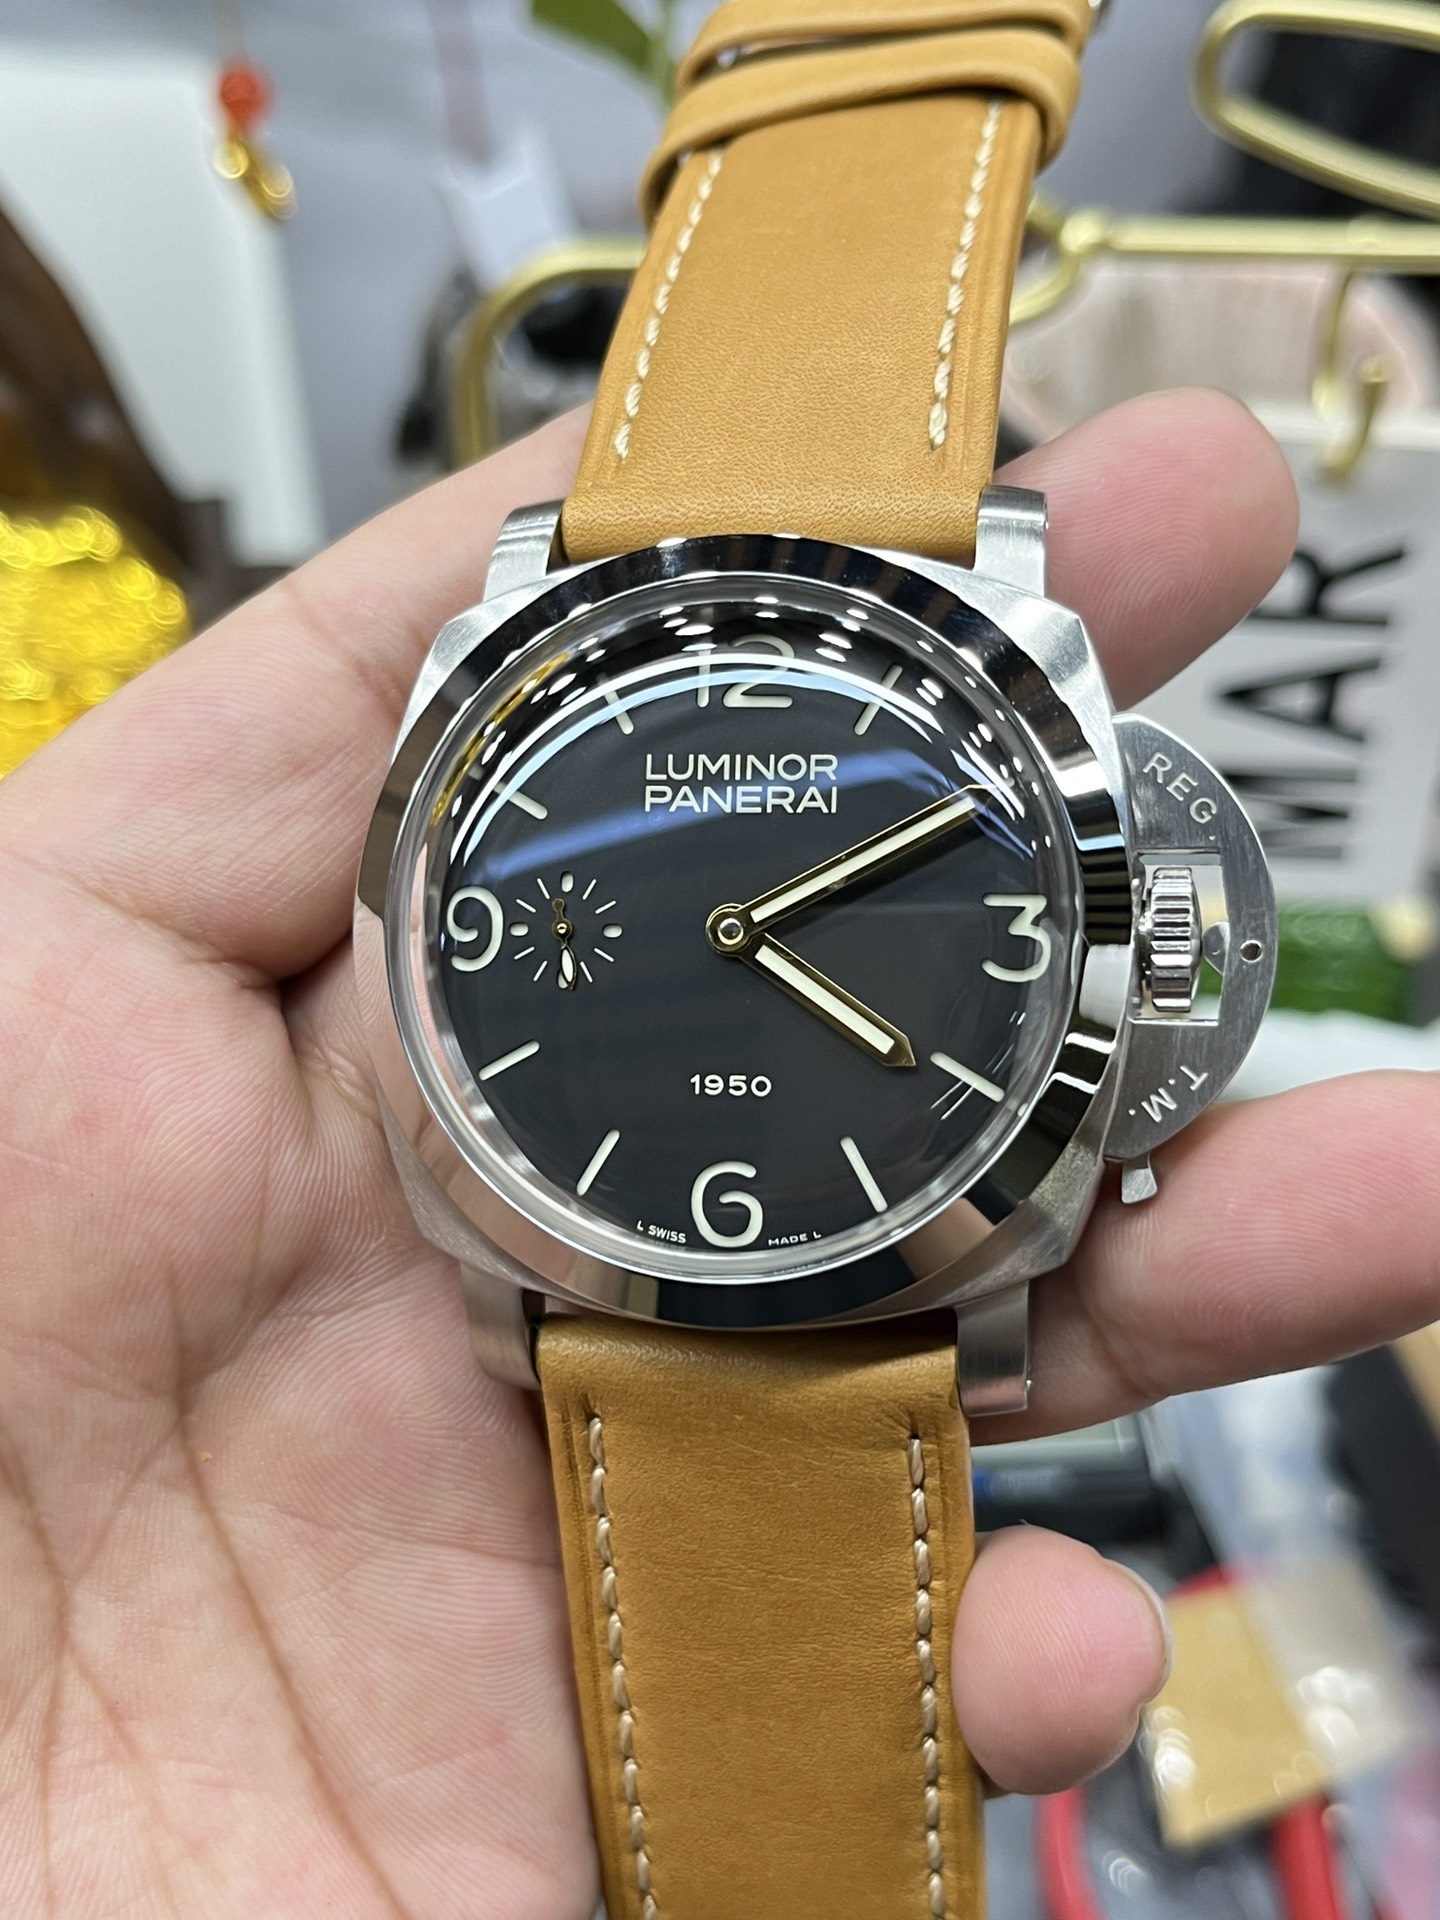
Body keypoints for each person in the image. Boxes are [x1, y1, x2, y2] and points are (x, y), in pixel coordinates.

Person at [1, 390, 1432, 1916]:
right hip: (606, 1258)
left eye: (743, 927)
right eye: (729, 925)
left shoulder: (969, 639)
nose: (735, 933)